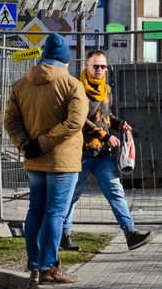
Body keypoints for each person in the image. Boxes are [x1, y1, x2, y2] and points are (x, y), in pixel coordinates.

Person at [3, 33, 88, 285]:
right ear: (66, 61)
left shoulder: (21, 85)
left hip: (33, 160)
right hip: (62, 161)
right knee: (55, 214)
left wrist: (26, 145)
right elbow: (75, 122)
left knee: (35, 212)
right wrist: (43, 143)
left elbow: (10, 121)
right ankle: (49, 268)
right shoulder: (72, 85)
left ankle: (35, 265)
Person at [61, 50, 153, 251]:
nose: (100, 70)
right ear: (87, 66)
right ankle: (63, 235)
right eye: (96, 66)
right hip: (81, 152)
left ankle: (130, 234)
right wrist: (105, 136)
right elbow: (80, 120)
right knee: (72, 195)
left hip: (102, 155)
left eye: (103, 66)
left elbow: (105, 115)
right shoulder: (78, 89)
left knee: (116, 192)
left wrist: (119, 124)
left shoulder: (106, 89)